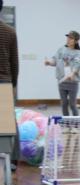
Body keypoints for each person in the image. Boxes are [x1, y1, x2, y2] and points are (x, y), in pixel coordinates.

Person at [45, 31, 80, 120]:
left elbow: (77, 65)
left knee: (72, 104)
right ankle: (66, 123)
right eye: (68, 37)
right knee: (64, 103)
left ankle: (76, 124)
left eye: (71, 38)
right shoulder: (61, 49)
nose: (68, 39)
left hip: (72, 82)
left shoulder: (78, 52)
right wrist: (49, 62)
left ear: (76, 41)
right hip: (61, 81)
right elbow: (55, 61)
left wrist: (72, 73)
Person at [0, 0, 19, 170]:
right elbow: (14, 62)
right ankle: (13, 160)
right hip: (5, 82)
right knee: (9, 122)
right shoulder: (10, 31)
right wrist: (14, 85)